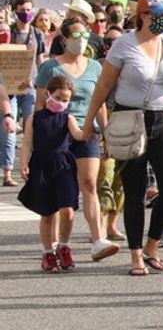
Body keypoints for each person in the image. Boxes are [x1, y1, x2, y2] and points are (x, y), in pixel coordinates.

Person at [84, 0, 163, 277]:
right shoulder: (124, 45)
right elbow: (104, 86)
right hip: (129, 118)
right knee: (134, 190)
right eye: (159, 15)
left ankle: (151, 246)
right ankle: (135, 255)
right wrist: (89, 123)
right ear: (144, 16)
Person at [33, 16, 118, 262]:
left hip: (87, 131)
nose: (81, 40)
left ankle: (98, 239)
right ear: (64, 39)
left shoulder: (94, 67)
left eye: (84, 35)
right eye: (76, 36)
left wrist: (106, 135)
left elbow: (99, 103)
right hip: (58, 134)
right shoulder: (51, 67)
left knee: (90, 183)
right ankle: (55, 246)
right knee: (61, 193)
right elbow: (40, 105)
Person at [17, 75, 88, 273]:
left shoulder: (68, 117)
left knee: (68, 210)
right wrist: (23, 164)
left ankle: (64, 246)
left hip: (63, 164)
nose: (61, 103)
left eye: (66, 100)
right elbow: (27, 143)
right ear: (48, 93)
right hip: (41, 165)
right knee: (47, 213)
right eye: (58, 98)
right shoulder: (35, 118)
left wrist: (89, 129)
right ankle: (48, 253)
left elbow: (78, 135)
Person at [1, 0, 47, 187]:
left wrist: (42, 82)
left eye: (29, 10)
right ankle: (8, 172)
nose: (26, 13)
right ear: (15, 11)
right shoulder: (8, 32)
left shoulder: (37, 34)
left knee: (32, 128)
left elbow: (41, 59)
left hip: (30, 88)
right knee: (9, 130)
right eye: (22, 10)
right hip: (9, 88)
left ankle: (31, 168)